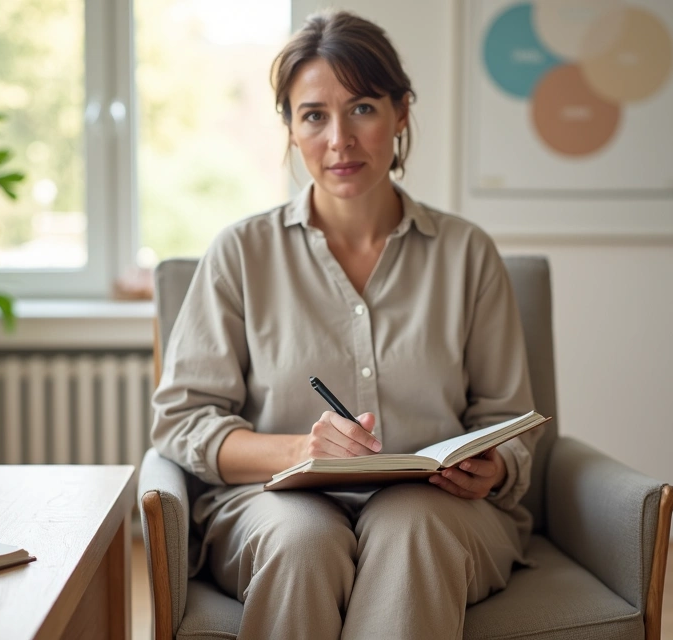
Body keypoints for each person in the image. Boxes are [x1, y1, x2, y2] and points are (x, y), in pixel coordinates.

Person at [151, 9, 540, 639]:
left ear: (400, 113)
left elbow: (508, 420)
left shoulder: (468, 254)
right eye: (314, 115)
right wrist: (302, 453)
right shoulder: (240, 253)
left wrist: (494, 465)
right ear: (290, 126)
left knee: (411, 527)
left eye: (362, 108)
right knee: (302, 543)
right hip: (275, 506)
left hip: (438, 510)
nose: (339, 140)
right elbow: (183, 420)